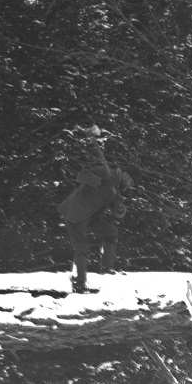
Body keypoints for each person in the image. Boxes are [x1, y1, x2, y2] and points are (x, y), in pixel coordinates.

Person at [58, 126, 133, 294]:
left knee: (110, 232)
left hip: (91, 214)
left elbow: (118, 211)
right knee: (81, 247)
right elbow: (81, 173)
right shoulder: (106, 174)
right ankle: (80, 282)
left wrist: (118, 213)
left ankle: (107, 269)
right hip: (76, 213)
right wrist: (92, 178)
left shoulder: (114, 191)